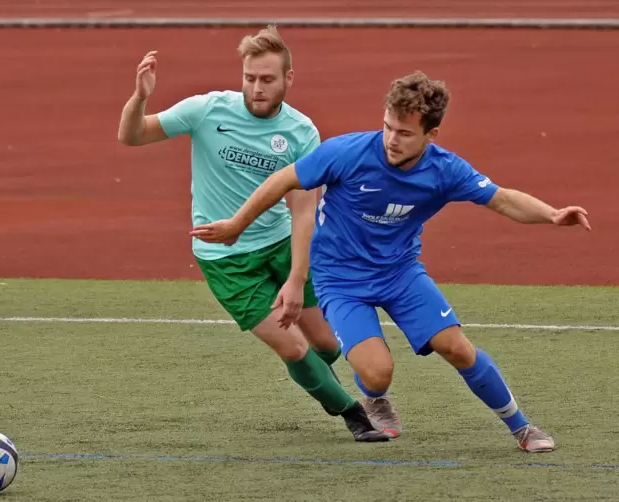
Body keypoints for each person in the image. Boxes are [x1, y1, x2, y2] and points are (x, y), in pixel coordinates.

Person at [189, 70, 592, 453]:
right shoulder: (348, 152)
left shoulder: (445, 170)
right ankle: (376, 398)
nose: (391, 139)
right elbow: (283, 180)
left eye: (404, 133)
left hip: (400, 273)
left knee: (457, 347)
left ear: (431, 134)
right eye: (387, 127)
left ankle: (521, 426)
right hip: (340, 279)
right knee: (377, 372)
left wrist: (553, 214)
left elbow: (502, 199)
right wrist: (237, 224)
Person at [117, 25, 395, 442]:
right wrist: (140, 97)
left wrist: (296, 279)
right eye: (250, 78)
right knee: (294, 347)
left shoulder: (302, 133)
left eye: (267, 79)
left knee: (326, 343)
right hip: (226, 260)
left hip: (281, 244)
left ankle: (324, 378)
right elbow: (131, 135)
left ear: (288, 79)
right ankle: (355, 416)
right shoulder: (207, 110)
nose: (256, 88)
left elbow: (304, 214)